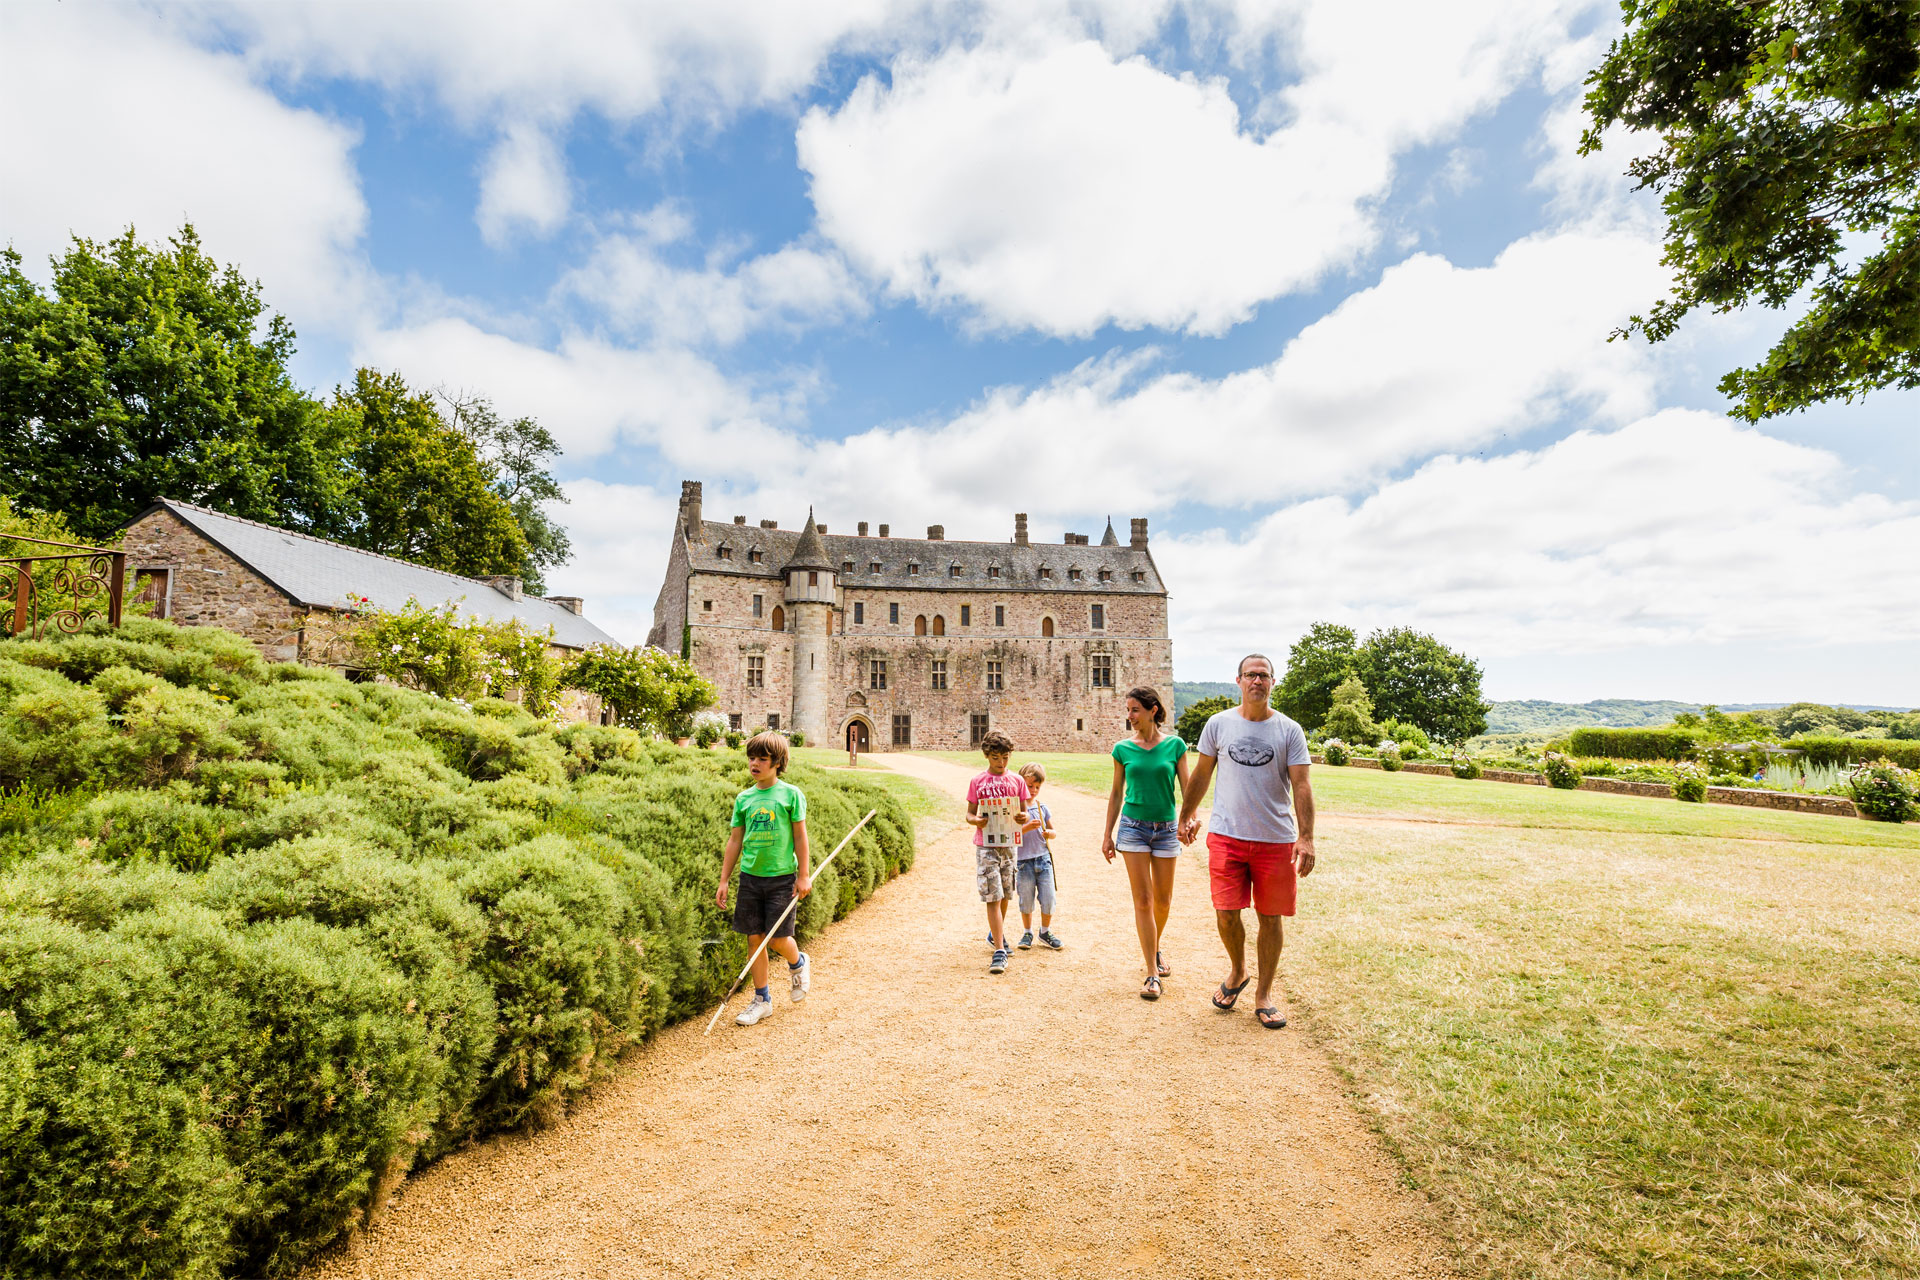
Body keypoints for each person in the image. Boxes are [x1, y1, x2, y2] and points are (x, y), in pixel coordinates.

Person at [1178, 654, 1314, 1030]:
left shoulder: (1289, 730)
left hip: (1275, 840)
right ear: (1238, 680)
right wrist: (1185, 815)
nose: (1257, 681)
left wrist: (1306, 837)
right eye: (1251, 675)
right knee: (1226, 913)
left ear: (1273, 683)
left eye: (1264, 675)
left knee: (1270, 918)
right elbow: (1202, 774)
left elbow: (1301, 785)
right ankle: (1238, 971)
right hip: (1227, 835)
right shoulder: (1218, 724)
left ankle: (1264, 994)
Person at [715, 731, 813, 1026]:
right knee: (755, 939)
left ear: (778, 762)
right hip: (750, 879)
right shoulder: (744, 799)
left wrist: (804, 875)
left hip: (782, 879)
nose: (754, 763)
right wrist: (724, 879)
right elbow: (734, 841)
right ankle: (762, 1000)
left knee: (778, 939)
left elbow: (800, 835)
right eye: (752, 758)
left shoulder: (791, 795)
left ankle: (798, 962)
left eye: (762, 759)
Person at [1102, 686, 1191, 1000]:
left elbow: (1188, 790)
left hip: (1166, 829)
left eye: (1135, 710)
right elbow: (1115, 794)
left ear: (1153, 709)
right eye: (1128, 711)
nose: (1130, 717)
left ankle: (1154, 949)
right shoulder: (1122, 750)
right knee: (1143, 901)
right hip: (1132, 828)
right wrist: (1107, 834)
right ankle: (1152, 974)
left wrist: (1188, 820)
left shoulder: (1176, 746)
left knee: (1163, 902)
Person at [966, 729, 1041, 974]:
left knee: (1006, 894)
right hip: (986, 845)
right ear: (987, 756)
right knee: (993, 896)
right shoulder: (978, 781)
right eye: (996, 758)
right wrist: (975, 820)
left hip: (1009, 846)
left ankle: (996, 935)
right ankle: (999, 949)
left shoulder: (1017, 781)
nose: (1001, 763)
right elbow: (969, 813)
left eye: (1005, 758)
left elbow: (1023, 814)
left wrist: (1021, 817)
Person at [1013, 762, 1064, 951]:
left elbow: (1053, 830)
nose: (1033, 790)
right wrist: (1027, 827)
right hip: (1023, 861)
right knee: (1025, 899)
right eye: (1029, 786)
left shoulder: (1042, 807)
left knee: (1048, 897)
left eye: (1037, 787)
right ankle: (1027, 932)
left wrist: (1049, 834)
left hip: (1043, 859)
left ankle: (1045, 931)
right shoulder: (1016, 810)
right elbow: (1011, 834)